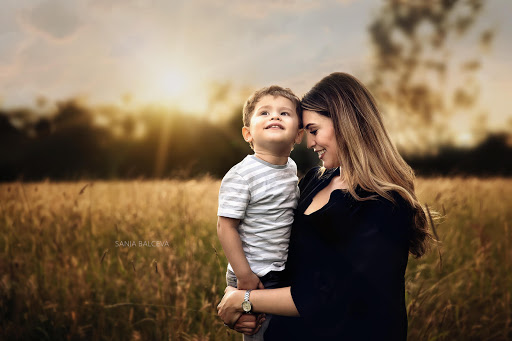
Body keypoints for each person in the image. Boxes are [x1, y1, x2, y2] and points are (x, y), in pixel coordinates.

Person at [217, 72, 432, 340]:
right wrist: (238, 297)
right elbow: (280, 252)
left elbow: (331, 296)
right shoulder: (315, 180)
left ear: (345, 124)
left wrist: (245, 300)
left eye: (314, 131)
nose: (309, 143)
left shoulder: (386, 204)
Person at [217, 85, 304, 340]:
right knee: (259, 333)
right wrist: (244, 276)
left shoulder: (291, 168)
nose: (274, 117)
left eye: (284, 113)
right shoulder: (242, 175)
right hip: (253, 274)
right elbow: (226, 226)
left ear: (298, 135)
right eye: (264, 113)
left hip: (282, 271)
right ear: (248, 134)